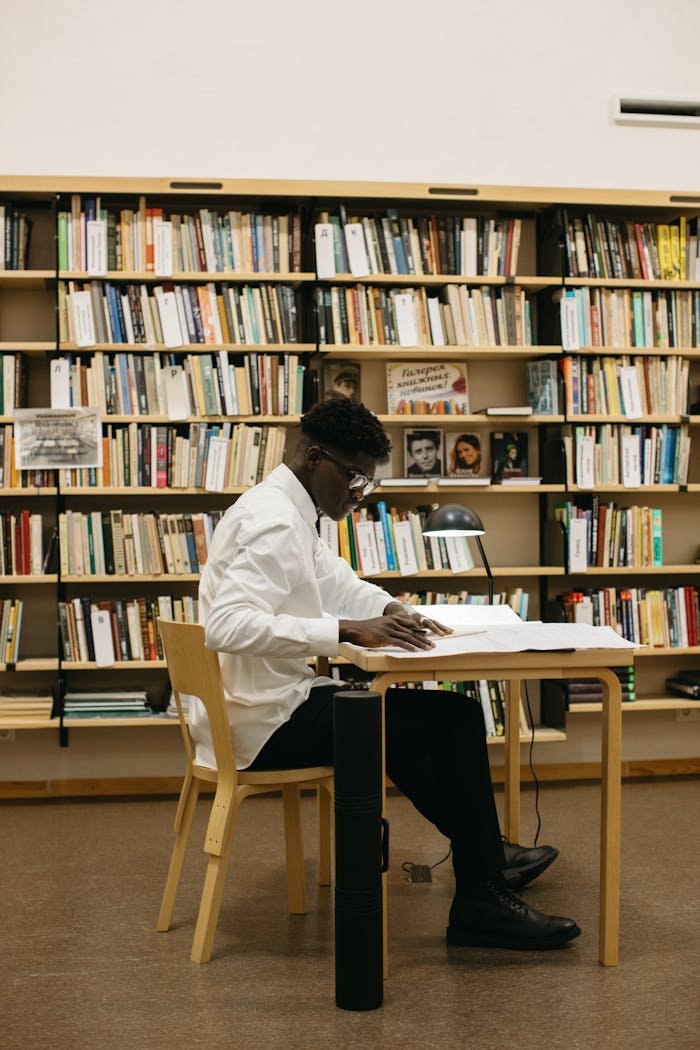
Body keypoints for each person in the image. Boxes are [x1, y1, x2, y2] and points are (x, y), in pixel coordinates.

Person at [196, 397, 579, 951]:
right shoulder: (276, 521)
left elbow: (338, 582)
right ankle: (482, 891)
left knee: (408, 723)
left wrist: (390, 608)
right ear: (313, 456)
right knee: (452, 719)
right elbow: (226, 626)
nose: (358, 493)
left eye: (366, 483)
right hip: (262, 725)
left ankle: (485, 863)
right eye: (353, 477)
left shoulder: (287, 507)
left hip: (265, 703)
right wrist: (345, 631)